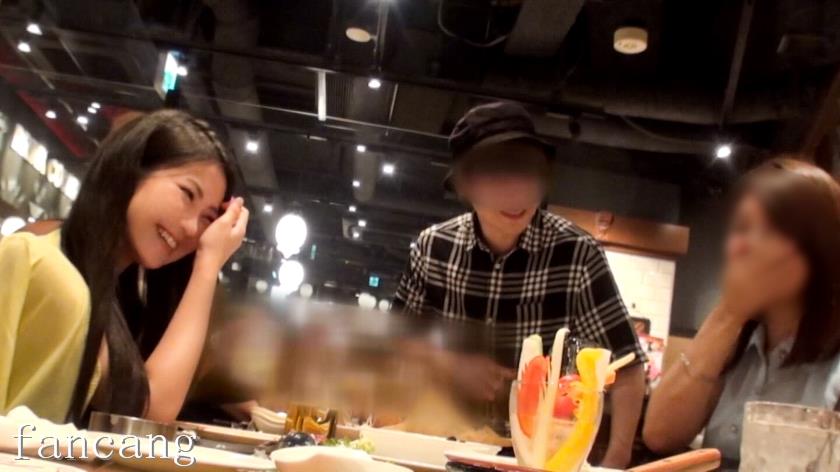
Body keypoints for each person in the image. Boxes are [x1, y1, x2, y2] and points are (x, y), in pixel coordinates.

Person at [393, 102, 646, 468]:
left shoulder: (576, 253)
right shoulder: (433, 247)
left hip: (536, 457)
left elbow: (627, 366)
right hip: (439, 448)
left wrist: (616, 459)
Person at [0, 110, 250, 425]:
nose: (191, 228)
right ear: (131, 170)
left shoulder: (109, 295)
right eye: (187, 193)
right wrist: (208, 264)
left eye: (207, 218)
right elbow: (151, 409)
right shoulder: (46, 267)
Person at [643, 158, 840, 462]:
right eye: (739, 229)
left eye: (764, 230)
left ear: (815, 247)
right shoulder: (738, 341)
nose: (737, 247)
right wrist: (730, 312)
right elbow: (659, 435)